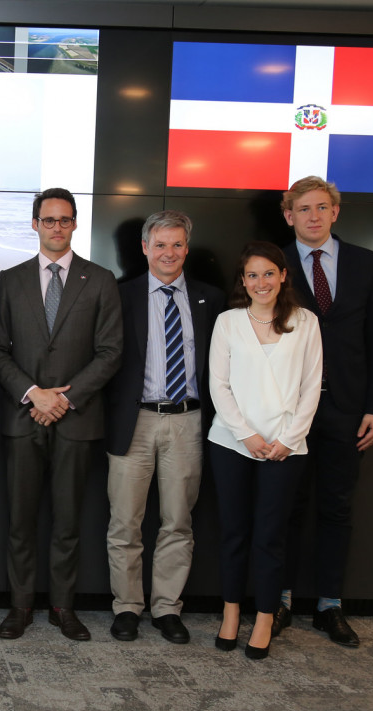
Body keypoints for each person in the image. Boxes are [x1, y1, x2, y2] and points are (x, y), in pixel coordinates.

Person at [0, 188, 122, 641]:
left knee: (68, 522)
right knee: (20, 522)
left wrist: (63, 400)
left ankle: (63, 607)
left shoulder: (100, 279)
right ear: (35, 224)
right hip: (23, 417)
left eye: (64, 220)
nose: (56, 227)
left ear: (74, 224)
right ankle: (20, 607)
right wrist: (34, 394)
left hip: (76, 421)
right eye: (48, 220)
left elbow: (110, 353)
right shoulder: (9, 280)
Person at [275, 176, 373, 647]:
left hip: (348, 413)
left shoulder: (366, 263)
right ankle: (277, 601)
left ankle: (329, 606)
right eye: (303, 209)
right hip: (288, 413)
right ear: (289, 216)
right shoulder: (273, 264)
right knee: (285, 509)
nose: (314, 216)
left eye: (322, 207)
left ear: (335, 212)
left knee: (337, 509)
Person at [103, 210, 224, 644]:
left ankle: (167, 609)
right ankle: (127, 608)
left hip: (188, 422)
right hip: (133, 421)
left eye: (176, 244)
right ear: (144, 248)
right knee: (126, 521)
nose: (168, 253)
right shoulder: (120, 295)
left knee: (178, 520)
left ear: (186, 248)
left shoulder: (212, 298)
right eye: (160, 245)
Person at [208, 241, 322, 660]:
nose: (261, 282)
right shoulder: (228, 322)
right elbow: (218, 385)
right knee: (234, 533)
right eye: (252, 275)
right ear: (243, 281)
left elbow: (312, 385)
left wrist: (288, 439)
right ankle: (231, 613)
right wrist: (246, 435)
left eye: (269, 273)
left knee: (270, 538)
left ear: (283, 276)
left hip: (286, 447)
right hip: (232, 443)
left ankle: (264, 618)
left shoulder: (305, 321)